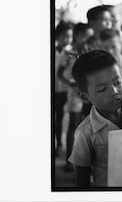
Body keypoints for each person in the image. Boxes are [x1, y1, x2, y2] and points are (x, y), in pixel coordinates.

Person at [69, 50, 122, 187]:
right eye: (102, 89)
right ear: (85, 97)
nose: (114, 91)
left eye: (117, 82)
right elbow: (82, 178)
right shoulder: (85, 132)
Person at [57, 23, 92, 171]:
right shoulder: (69, 53)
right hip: (75, 94)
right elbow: (59, 73)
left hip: (91, 94)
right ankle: (69, 162)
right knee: (73, 125)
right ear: (78, 36)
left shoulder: (93, 50)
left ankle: (85, 163)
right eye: (86, 36)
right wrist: (69, 84)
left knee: (88, 128)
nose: (89, 39)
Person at [54, 21, 73, 154]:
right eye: (64, 36)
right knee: (55, 117)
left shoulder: (71, 52)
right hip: (53, 90)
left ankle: (61, 144)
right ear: (58, 36)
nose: (67, 39)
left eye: (70, 36)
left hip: (66, 90)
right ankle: (57, 143)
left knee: (62, 117)